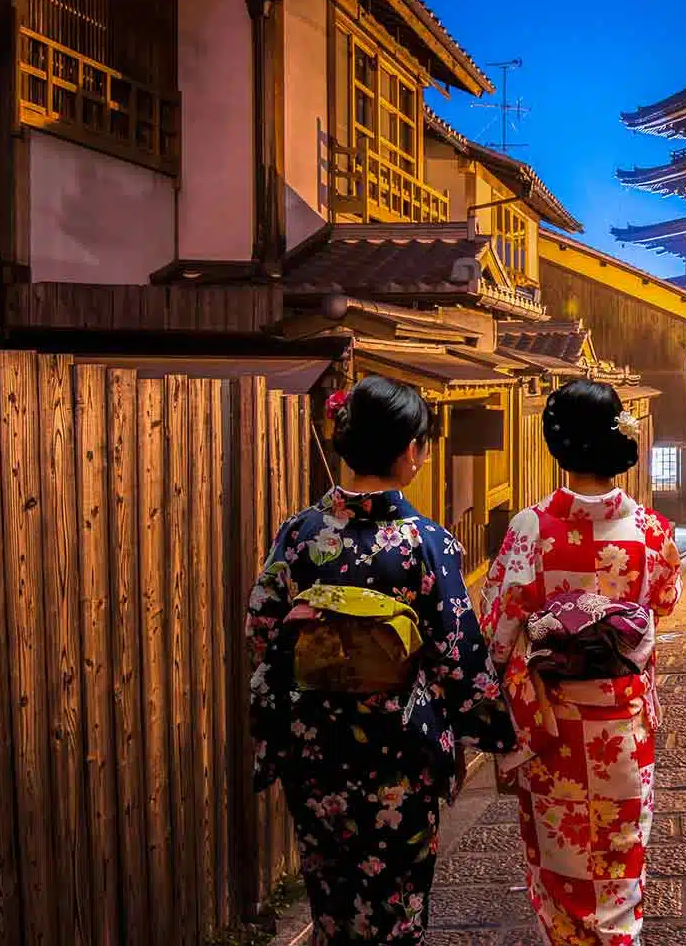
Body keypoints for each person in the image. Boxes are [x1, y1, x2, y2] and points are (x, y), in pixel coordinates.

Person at [244, 375, 515, 946]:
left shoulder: (299, 533)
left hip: (314, 745)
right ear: (409, 452)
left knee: (332, 897)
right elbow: (457, 655)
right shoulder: (424, 543)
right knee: (397, 904)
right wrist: (495, 728)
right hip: (397, 751)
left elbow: (262, 626)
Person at [479, 379, 683, 946]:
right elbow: (662, 606)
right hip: (622, 726)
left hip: (553, 728)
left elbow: (497, 632)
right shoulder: (651, 530)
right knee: (619, 872)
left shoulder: (531, 528)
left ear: (556, 444)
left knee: (558, 873)